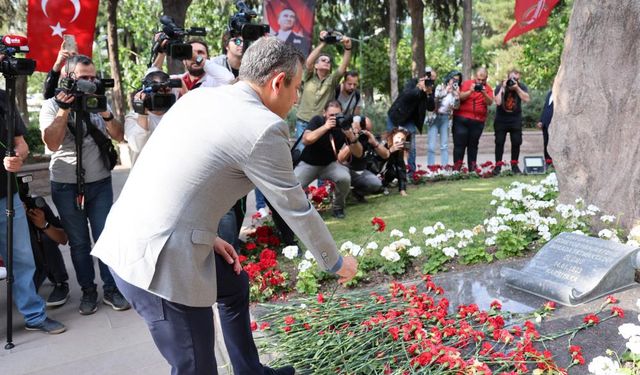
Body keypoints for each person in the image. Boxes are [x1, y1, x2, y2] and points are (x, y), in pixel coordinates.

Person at [91, 37, 358, 375]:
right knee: (197, 366)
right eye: (297, 87)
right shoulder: (264, 127)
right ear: (278, 82)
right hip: (156, 261)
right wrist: (335, 263)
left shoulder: (200, 98)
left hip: (133, 232)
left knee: (232, 285)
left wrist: (204, 233)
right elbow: (296, 208)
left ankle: (250, 371)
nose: (297, 98)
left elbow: (174, 172)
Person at [39, 55, 130, 315]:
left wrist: (106, 112)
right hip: (66, 185)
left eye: (93, 77)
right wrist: (63, 109)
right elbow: (52, 143)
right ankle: (88, 291)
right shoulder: (50, 105)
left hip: (99, 182)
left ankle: (111, 289)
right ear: (68, 77)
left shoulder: (99, 101)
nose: (90, 83)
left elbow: (120, 136)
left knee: (105, 237)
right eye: (84, 78)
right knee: (79, 243)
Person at [0, 69, 66, 333]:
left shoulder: (4, 98)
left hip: (7, 194)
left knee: (22, 259)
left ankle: (34, 317)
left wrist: (17, 157)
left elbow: (22, 144)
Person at [296, 100, 362, 218]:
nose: (334, 118)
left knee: (344, 178)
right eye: (331, 115)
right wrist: (325, 127)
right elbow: (306, 139)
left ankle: (338, 208)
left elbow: (358, 153)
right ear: (324, 113)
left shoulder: (343, 125)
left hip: (329, 164)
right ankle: (300, 211)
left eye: (337, 115)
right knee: (294, 185)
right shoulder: (318, 120)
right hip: (309, 164)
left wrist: (351, 136)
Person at [294, 30, 352, 151]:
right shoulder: (308, 76)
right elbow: (308, 62)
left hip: (321, 123)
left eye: (329, 61)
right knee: (300, 152)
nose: (327, 62)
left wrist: (348, 48)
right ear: (316, 66)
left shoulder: (332, 80)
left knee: (319, 152)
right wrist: (323, 42)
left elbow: (343, 67)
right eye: (323, 60)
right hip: (303, 122)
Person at [20, 180, 71, 307]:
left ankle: (60, 283)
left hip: (38, 257)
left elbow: (63, 239)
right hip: (16, 264)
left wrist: (44, 225)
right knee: (24, 295)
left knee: (46, 238)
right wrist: (16, 220)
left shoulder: (34, 205)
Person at [387, 67, 437, 175]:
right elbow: (406, 95)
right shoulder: (413, 82)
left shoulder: (431, 88)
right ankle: (390, 172)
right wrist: (419, 88)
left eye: (433, 79)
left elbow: (431, 107)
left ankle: (411, 173)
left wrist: (428, 94)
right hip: (396, 117)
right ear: (424, 76)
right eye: (430, 78)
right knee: (392, 144)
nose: (431, 81)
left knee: (409, 147)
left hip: (410, 120)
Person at [124, 71, 177, 165]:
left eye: (168, 90)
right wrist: (142, 112)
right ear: (145, 92)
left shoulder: (175, 114)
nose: (164, 95)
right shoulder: (133, 117)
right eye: (160, 90)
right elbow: (137, 146)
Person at [150, 38, 234, 96]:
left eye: (200, 52)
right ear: (183, 60)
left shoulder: (215, 81)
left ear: (208, 59)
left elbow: (229, 80)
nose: (194, 56)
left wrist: (198, 58)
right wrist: (162, 51)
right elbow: (149, 80)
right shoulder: (176, 80)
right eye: (190, 53)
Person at [452, 67, 494, 171]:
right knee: (459, 145)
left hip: (478, 121)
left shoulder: (488, 88)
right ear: (475, 77)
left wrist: (483, 92)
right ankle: (457, 170)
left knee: (473, 146)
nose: (480, 82)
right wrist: (470, 91)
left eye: (483, 80)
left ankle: (472, 170)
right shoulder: (466, 84)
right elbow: (459, 97)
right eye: (478, 79)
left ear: (486, 78)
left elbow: (489, 102)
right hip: (461, 119)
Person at [339, 116, 388, 202]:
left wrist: (375, 143)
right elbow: (341, 158)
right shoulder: (346, 136)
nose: (365, 132)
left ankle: (356, 193)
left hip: (360, 172)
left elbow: (386, 155)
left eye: (368, 130)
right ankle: (343, 195)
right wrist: (353, 139)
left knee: (376, 184)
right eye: (364, 129)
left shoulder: (368, 138)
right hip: (345, 170)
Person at [493, 69, 530, 174]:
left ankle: (514, 165)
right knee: (499, 142)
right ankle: (498, 166)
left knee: (516, 142)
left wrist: (517, 88)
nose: (513, 81)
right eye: (512, 78)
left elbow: (527, 99)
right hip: (501, 119)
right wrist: (503, 88)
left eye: (516, 79)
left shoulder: (520, 86)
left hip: (515, 119)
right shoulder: (501, 86)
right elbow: (498, 102)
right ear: (507, 77)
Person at [427, 70, 461, 167]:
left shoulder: (456, 91)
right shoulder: (440, 87)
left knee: (444, 146)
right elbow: (435, 99)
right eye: (453, 79)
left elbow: (456, 107)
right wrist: (446, 91)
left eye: (457, 81)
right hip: (434, 118)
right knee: (431, 146)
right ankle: (431, 168)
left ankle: (444, 168)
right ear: (449, 78)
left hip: (446, 118)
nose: (455, 82)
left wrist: (457, 97)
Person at [380, 128, 410, 196]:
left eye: (402, 139)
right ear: (393, 136)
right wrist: (389, 151)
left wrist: (402, 190)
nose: (399, 141)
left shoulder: (398, 150)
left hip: (385, 171)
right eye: (398, 137)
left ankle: (384, 185)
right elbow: (377, 161)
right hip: (374, 171)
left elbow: (401, 168)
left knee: (392, 172)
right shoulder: (383, 144)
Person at [536, 90, 554, 166]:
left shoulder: (561, 92)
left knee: (554, 143)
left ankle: (554, 162)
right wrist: (541, 120)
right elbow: (545, 108)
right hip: (546, 123)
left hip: (555, 123)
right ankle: (548, 162)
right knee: (546, 143)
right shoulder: (550, 93)